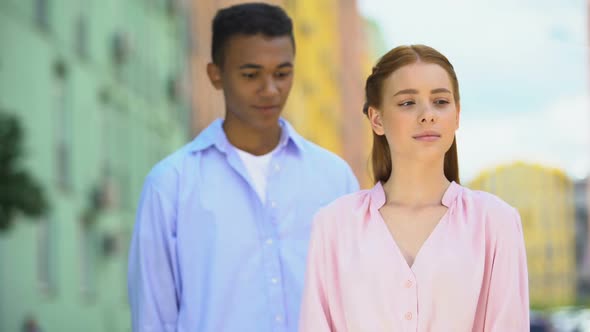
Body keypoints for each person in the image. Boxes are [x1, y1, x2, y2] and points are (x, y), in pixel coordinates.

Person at [127, 3, 359, 332]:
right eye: (251, 75)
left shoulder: (335, 179)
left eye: (282, 73)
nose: (270, 89)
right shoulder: (171, 185)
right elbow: (154, 318)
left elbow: (358, 302)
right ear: (215, 74)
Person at [298, 44, 529, 331]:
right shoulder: (334, 225)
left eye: (440, 102)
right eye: (407, 102)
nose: (427, 114)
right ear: (377, 119)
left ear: (457, 116)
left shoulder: (496, 222)